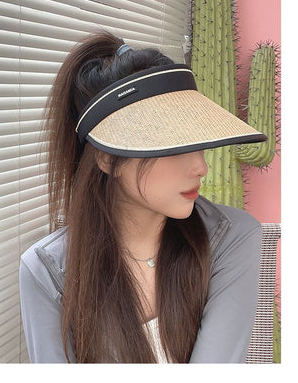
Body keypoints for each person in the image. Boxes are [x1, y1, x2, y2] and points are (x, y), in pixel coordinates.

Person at [19, 31, 267, 363]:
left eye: (198, 143)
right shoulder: (49, 272)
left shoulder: (232, 238)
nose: (200, 166)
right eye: (173, 146)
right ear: (107, 159)